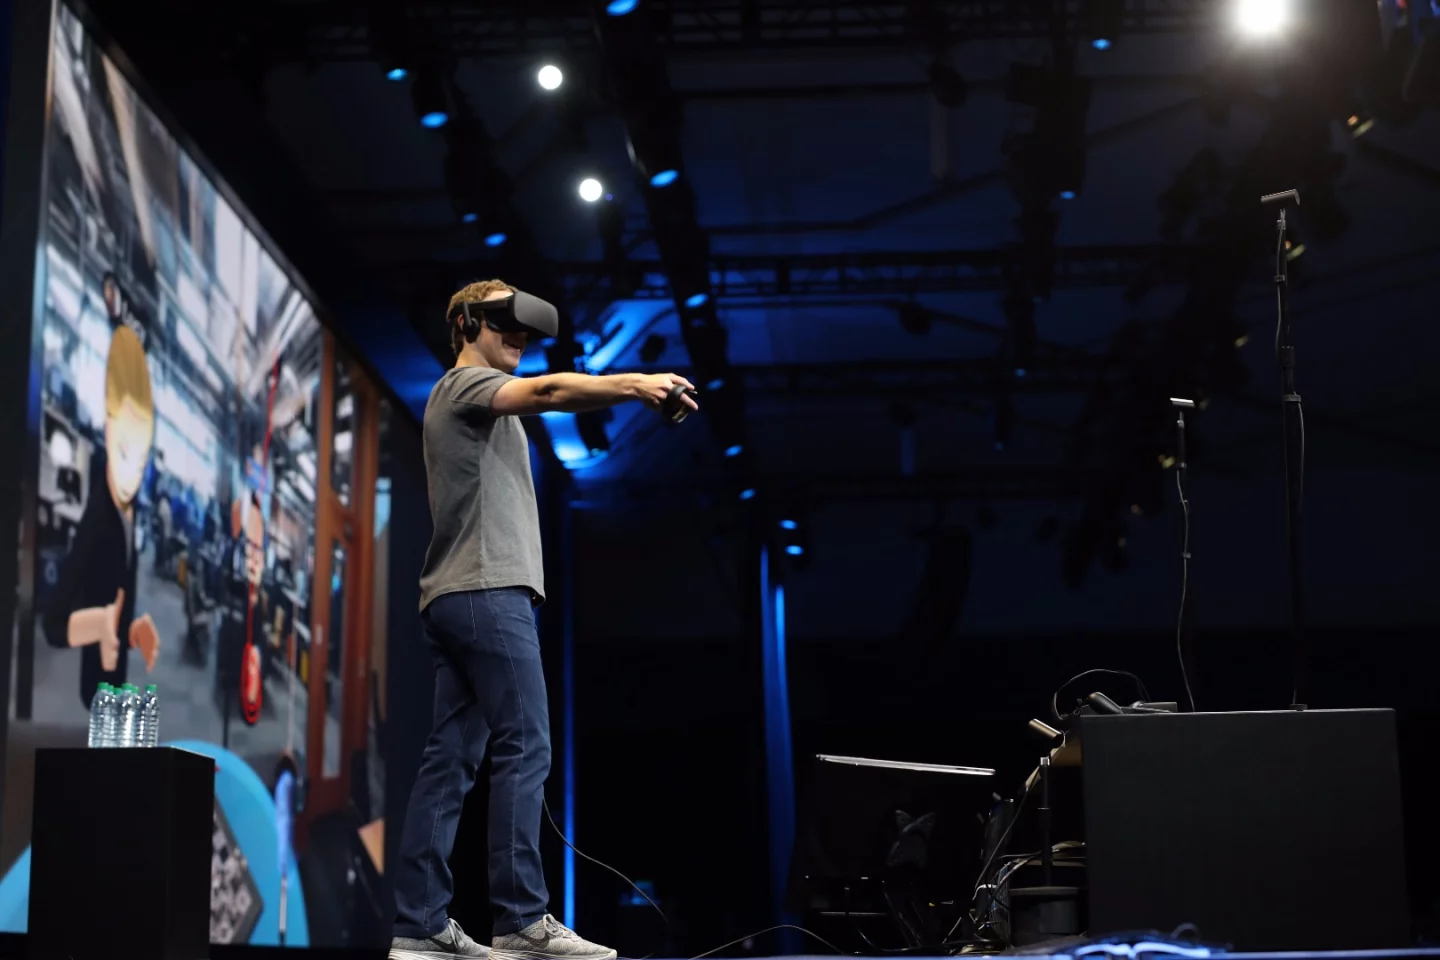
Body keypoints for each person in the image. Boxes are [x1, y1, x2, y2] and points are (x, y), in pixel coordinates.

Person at [390, 280, 698, 960]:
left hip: (460, 597)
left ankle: (419, 930)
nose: (520, 336)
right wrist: (635, 383)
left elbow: (538, 393)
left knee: (450, 767)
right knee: (525, 746)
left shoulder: (484, 404)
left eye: (526, 327)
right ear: (467, 323)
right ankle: (522, 921)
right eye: (505, 322)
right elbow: (550, 393)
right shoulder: (462, 386)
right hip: (486, 594)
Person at [43, 325, 160, 709]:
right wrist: (99, 625)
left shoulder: (130, 510)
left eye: (141, 456)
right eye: (127, 447)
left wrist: (130, 631)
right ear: (109, 431)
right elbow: (54, 623)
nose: (134, 469)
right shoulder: (98, 514)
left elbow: (116, 588)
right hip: (96, 685)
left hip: (117, 680)